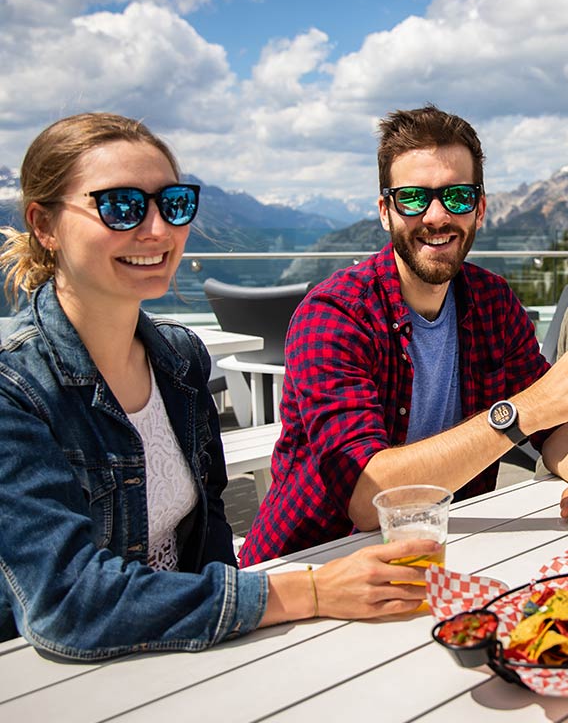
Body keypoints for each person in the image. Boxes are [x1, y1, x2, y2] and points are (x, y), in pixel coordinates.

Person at [0, 112, 438, 660]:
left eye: (173, 204)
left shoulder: (180, 362)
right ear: (45, 225)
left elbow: (207, 543)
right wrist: (311, 590)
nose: (157, 230)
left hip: (191, 652)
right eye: (119, 205)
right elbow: (68, 603)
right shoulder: (15, 390)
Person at [239, 104, 568, 567]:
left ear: (480, 209)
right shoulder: (335, 315)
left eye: (457, 196)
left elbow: (555, 431)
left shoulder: (493, 302)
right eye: (413, 198)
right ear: (385, 212)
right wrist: (524, 410)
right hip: (310, 568)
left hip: (445, 555)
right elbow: (367, 493)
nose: (436, 216)